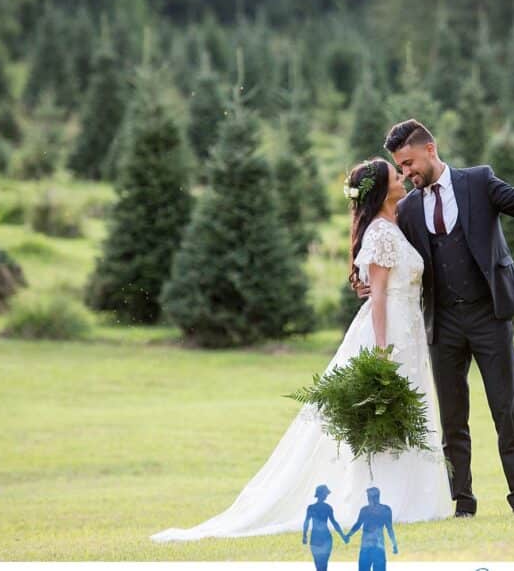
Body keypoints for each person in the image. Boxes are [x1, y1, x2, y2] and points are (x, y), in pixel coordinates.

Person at [151, 158, 452, 543]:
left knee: (405, 412)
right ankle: (384, 498)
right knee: (380, 416)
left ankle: (410, 498)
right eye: (396, 176)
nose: (403, 179)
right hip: (389, 331)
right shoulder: (379, 232)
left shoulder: (393, 225)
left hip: (408, 329)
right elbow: (377, 295)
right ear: (382, 190)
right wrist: (381, 350)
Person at [381, 119, 514, 517]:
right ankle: (462, 500)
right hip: (441, 324)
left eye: (408, 163)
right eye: (400, 167)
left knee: (506, 409)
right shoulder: (408, 208)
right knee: (452, 418)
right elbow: (392, 254)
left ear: (430, 149)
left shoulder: (478, 182)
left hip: (489, 315)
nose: (406, 173)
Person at [345, 487, 398, 571]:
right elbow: (389, 528)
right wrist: (394, 544)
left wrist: (348, 535)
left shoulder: (365, 510)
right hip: (378, 547)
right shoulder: (385, 510)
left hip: (367, 547)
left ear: (372, 497)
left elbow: (358, 525)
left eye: (368, 496)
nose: (368, 498)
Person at [303, 485, 346, 571]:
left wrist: (304, 536)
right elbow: (334, 523)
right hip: (324, 538)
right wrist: (343, 536)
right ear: (321, 494)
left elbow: (306, 522)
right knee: (322, 566)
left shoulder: (312, 508)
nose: (326, 495)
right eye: (325, 494)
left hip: (317, 538)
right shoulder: (326, 508)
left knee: (320, 566)